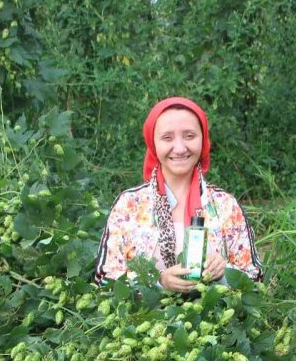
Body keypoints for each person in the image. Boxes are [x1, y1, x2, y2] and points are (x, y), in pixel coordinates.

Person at [94, 96, 262, 290]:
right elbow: (103, 282)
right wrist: (159, 283)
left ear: (203, 140)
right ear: (153, 143)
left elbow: (255, 280)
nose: (180, 148)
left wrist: (225, 272)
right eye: (167, 138)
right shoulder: (129, 206)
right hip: (144, 311)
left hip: (214, 310)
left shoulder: (225, 206)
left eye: (189, 136)